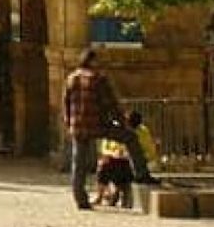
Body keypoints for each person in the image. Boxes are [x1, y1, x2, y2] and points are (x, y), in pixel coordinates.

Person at [63, 49, 158, 210]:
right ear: (92, 61)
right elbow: (111, 104)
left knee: (78, 163)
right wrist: (122, 123)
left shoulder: (71, 78)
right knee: (130, 138)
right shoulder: (99, 79)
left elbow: (65, 103)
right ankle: (142, 174)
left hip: (78, 125)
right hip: (98, 123)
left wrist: (68, 123)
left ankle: (80, 199)